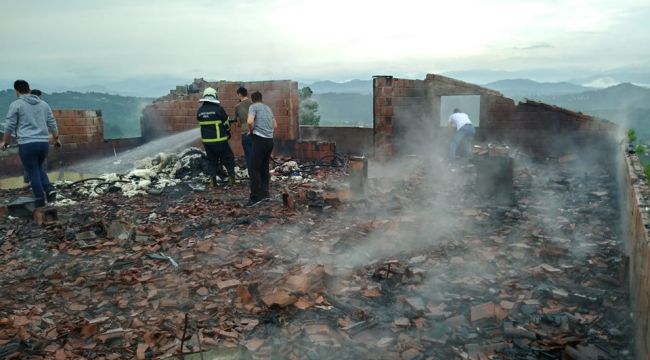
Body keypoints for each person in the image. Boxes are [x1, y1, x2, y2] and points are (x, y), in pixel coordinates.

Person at [1, 80, 61, 207]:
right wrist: (56, 137)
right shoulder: (44, 104)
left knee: (33, 172)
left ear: (16, 91)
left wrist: (5, 142)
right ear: (29, 88)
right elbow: (52, 122)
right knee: (38, 168)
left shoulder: (16, 105)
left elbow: (10, 125)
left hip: (27, 144)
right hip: (43, 143)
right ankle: (49, 190)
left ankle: (40, 203)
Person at [196, 87, 238, 186]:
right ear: (214, 96)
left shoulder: (200, 111)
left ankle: (213, 181)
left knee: (212, 161)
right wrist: (228, 132)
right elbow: (226, 123)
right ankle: (232, 179)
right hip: (220, 141)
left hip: (207, 142)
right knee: (228, 158)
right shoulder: (218, 109)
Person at [246, 91, 277, 207]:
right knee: (264, 168)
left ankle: (255, 197)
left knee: (253, 169)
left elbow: (249, 122)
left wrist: (251, 131)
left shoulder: (253, 107)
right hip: (270, 141)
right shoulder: (268, 108)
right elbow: (275, 125)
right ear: (261, 98)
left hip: (260, 140)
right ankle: (265, 194)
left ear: (252, 99)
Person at [22, 89, 48, 185]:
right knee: (41, 163)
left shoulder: (22, 106)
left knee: (28, 162)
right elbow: (51, 122)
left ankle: (27, 182)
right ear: (39, 96)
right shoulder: (43, 106)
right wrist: (55, 136)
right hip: (40, 140)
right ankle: (41, 184)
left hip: (26, 140)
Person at [233, 87, 253, 170]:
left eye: (237, 95)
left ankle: (251, 174)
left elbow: (239, 123)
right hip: (256, 132)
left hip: (245, 132)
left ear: (239, 94)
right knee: (257, 153)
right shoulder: (253, 103)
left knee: (248, 154)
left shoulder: (237, 106)